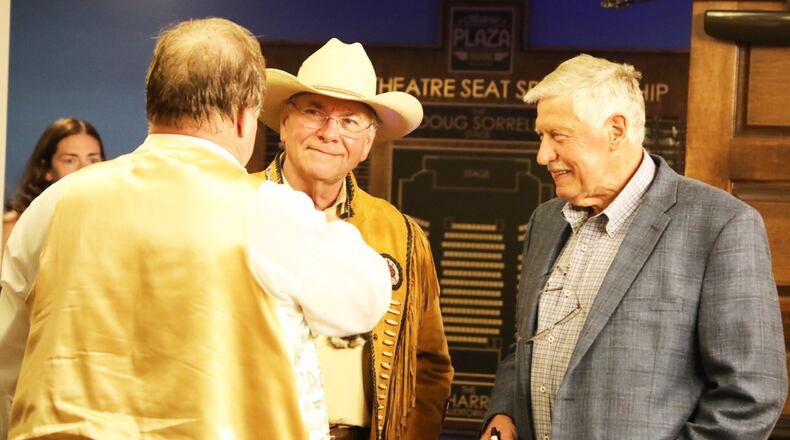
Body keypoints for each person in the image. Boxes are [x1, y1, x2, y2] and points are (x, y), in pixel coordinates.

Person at [0, 18, 393, 440]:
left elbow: (9, 361)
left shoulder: (52, 206)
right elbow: (364, 300)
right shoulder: (269, 212)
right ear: (247, 116)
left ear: (153, 104)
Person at [481, 54, 787, 440]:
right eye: (541, 136)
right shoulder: (546, 221)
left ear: (616, 130)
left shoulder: (721, 224)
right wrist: (503, 412)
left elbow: (751, 395)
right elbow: (527, 344)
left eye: (558, 136)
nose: (543, 155)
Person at [255, 38, 454, 440]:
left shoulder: (402, 236)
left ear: (366, 144)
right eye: (315, 112)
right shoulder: (234, 207)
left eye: (349, 122)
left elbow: (430, 365)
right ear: (286, 122)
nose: (330, 133)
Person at [3, 117, 105, 250]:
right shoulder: (15, 228)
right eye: (70, 160)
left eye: (93, 160)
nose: (83, 169)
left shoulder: (114, 222)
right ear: (47, 169)